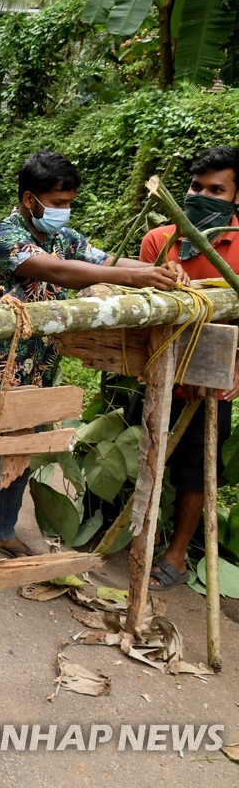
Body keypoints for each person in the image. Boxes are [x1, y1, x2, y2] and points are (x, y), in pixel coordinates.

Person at [0, 150, 185, 559]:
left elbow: (105, 261)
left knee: (20, 451)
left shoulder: (67, 237)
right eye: (58, 203)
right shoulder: (1, 238)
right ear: (30, 199)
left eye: (69, 203)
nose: (64, 211)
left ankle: (3, 530)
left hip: (39, 364)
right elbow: (60, 272)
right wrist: (133, 276)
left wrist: (161, 271)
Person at [139, 146, 239, 590]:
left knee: (198, 469)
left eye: (216, 189)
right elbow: (137, 310)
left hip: (210, 381)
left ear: (236, 197)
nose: (203, 195)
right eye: (196, 187)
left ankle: (177, 554)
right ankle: (136, 533)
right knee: (145, 454)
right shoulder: (159, 241)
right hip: (155, 372)